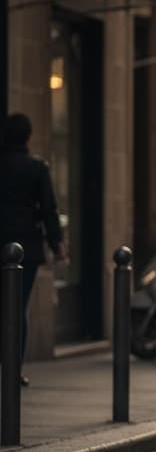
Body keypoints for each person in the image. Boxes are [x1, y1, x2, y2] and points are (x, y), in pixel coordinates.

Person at [0, 113, 67, 387]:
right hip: (26, 246)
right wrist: (57, 244)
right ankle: (13, 368)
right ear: (28, 137)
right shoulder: (37, 168)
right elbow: (49, 209)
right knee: (18, 307)